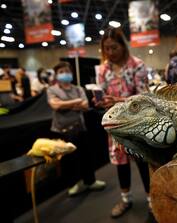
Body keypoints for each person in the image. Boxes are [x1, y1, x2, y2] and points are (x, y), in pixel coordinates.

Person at [95, 27, 151, 218]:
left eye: (114, 48)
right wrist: (100, 101)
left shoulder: (137, 64)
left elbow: (144, 97)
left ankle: (153, 200)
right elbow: (102, 93)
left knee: (143, 161)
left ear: (122, 46)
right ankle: (125, 199)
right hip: (115, 125)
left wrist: (118, 101)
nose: (110, 52)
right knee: (121, 163)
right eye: (106, 49)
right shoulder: (103, 69)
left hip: (137, 123)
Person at [47, 61, 106, 196]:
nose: (65, 74)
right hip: (62, 129)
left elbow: (85, 106)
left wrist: (65, 104)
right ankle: (73, 184)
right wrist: (76, 102)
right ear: (56, 75)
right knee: (68, 160)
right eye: (61, 72)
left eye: (67, 71)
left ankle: (90, 181)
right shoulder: (51, 90)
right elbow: (55, 106)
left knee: (85, 156)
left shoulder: (78, 89)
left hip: (80, 127)